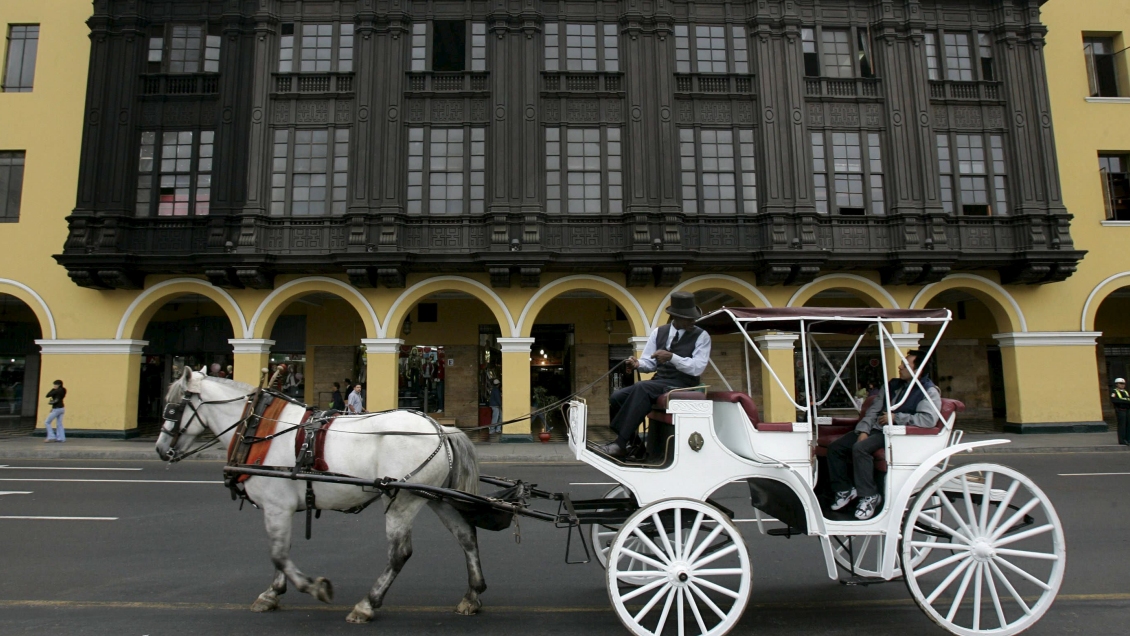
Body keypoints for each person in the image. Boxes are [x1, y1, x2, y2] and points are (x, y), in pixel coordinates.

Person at [827, 350, 942, 520]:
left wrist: (896, 418)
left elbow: (928, 420)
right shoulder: (893, 385)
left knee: (860, 448)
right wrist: (863, 430)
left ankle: (870, 495)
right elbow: (874, 410)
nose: (900, 366)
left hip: (896, 434)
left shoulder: (928, 391)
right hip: (877, 428)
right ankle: (844, 489)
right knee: (836, 447)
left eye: (905, 364)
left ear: (918, 370)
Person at [597, 292, 711, 459]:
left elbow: (697, 368)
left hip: (683, 384)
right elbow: (649, 363)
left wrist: (672, 357)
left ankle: (620, 444)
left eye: (694, 317)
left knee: (643, 387)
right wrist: (637, 364)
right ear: (675, 317)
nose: (693, 321)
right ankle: (637, 446)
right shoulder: (659, 332)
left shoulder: (702, 336)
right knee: (616, 397)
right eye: (688, 318)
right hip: (660, 382)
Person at [1111, 378, 1130, 445]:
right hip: (1120, 410)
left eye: (1123, 384)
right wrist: (1125, 401)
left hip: (1127, 410)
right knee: (1122, 425)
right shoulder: (1114, 391)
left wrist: (1125, 401)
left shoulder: (1125, 391)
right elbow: (1115, 400)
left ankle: (1128, 439)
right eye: (1121, 383)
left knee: (1128, 425)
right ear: (1117, 384)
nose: (1122, 385)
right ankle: (1122, 440)